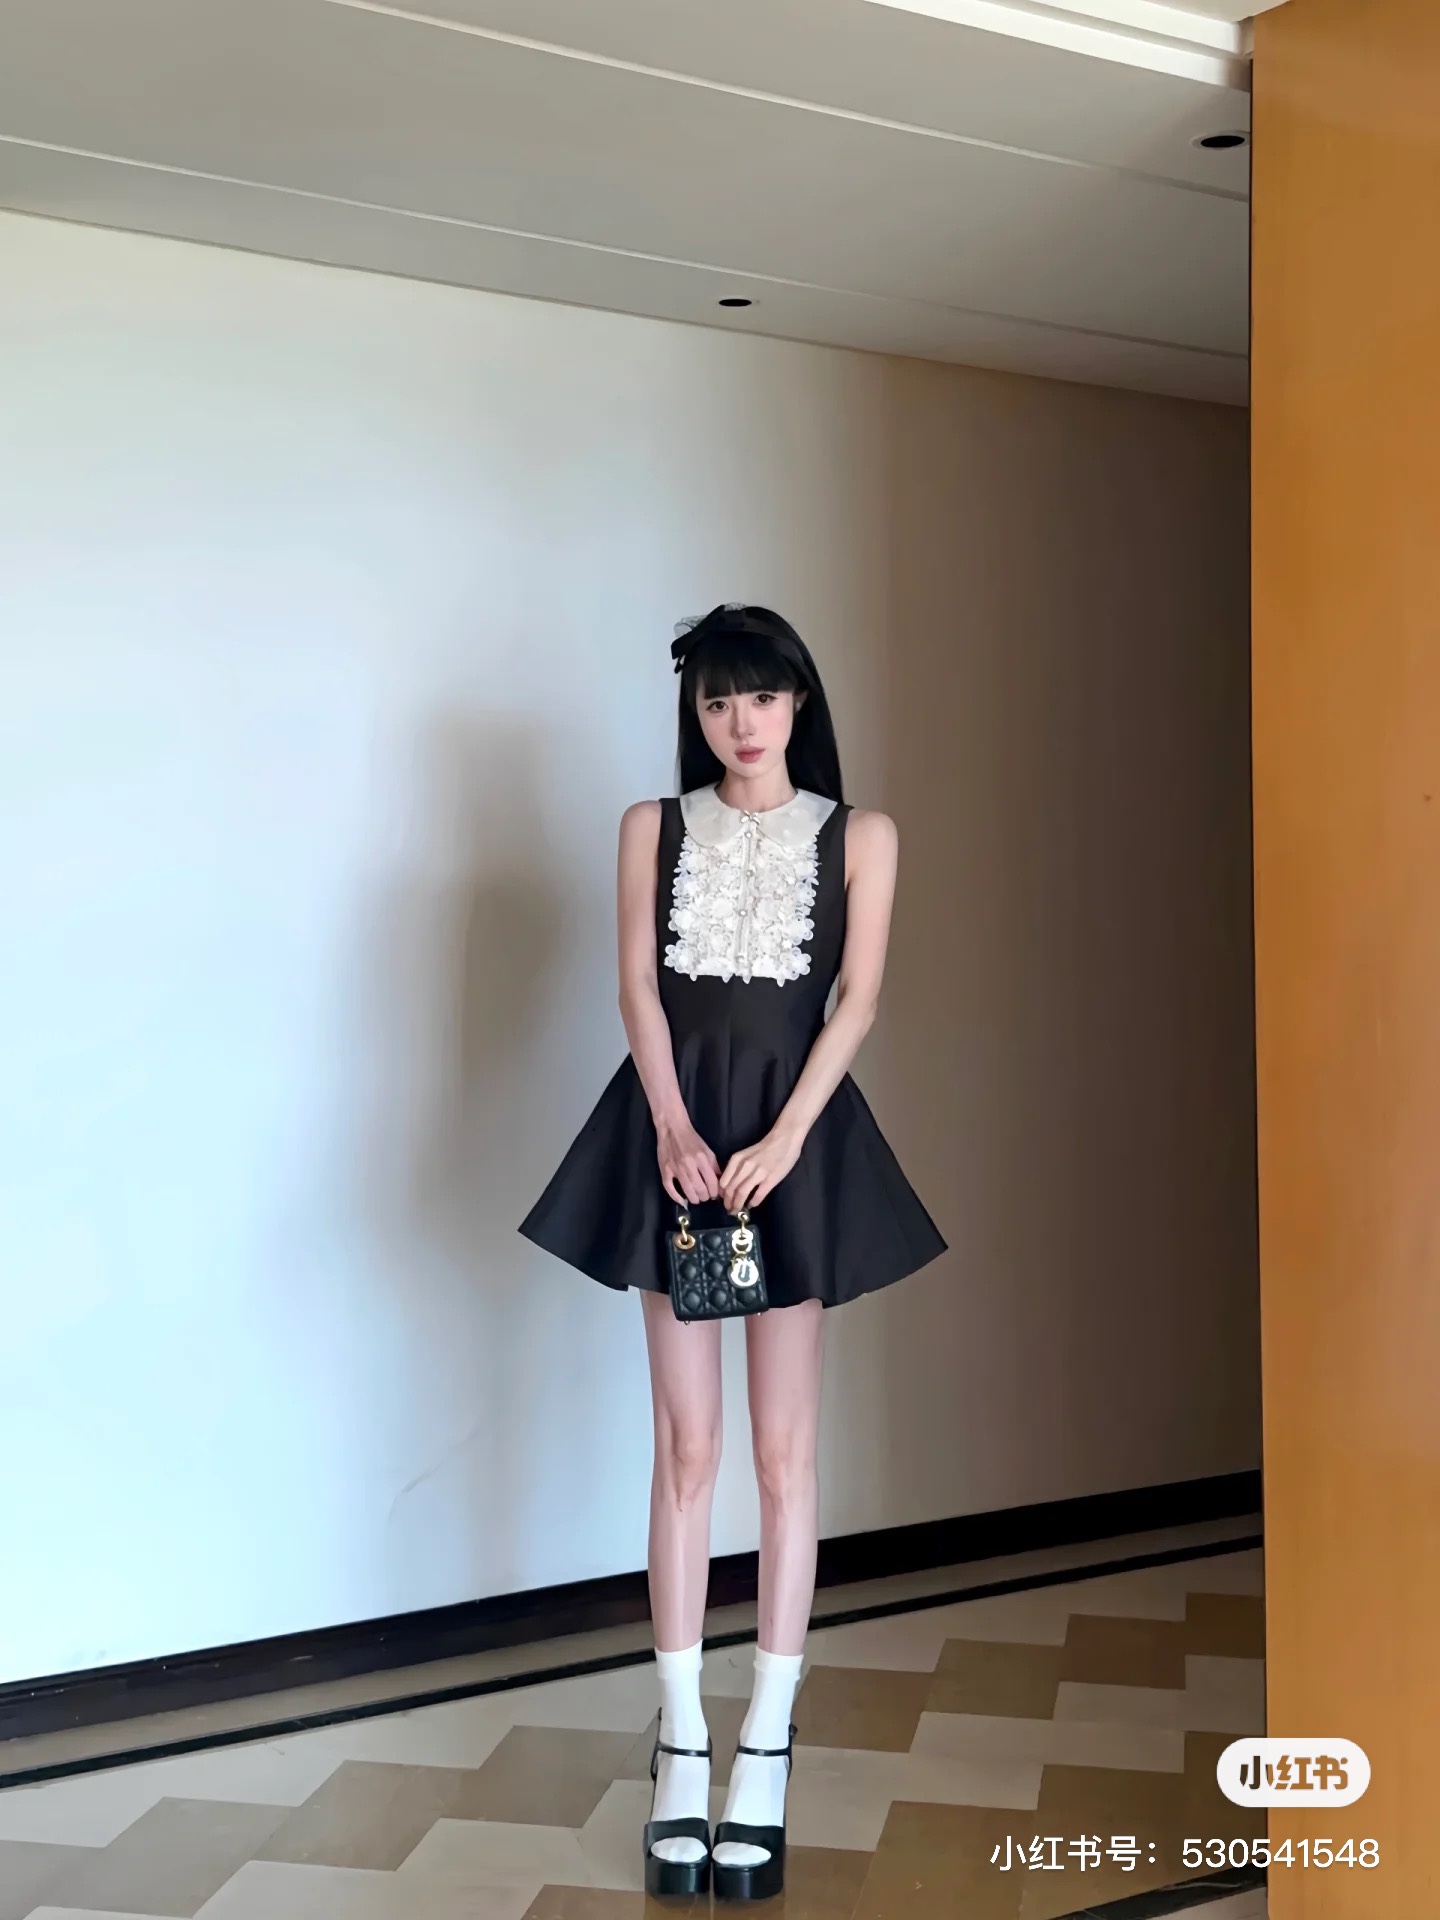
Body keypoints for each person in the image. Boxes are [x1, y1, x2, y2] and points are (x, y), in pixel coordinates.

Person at [519, 604, 946, 1900]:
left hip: (791, 1141)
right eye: (716, 701)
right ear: (695, 712)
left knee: (783, 1453)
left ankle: (767, 1736)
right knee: (688, 1448)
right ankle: (681, 1739)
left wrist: (789, 1139)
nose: (740, 722)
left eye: (760, 696)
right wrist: (670, 1125)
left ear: (799, 701)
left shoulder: (861, 836)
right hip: (678, 1144)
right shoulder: (650, 828)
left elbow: (858, 1000)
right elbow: (637, 989)